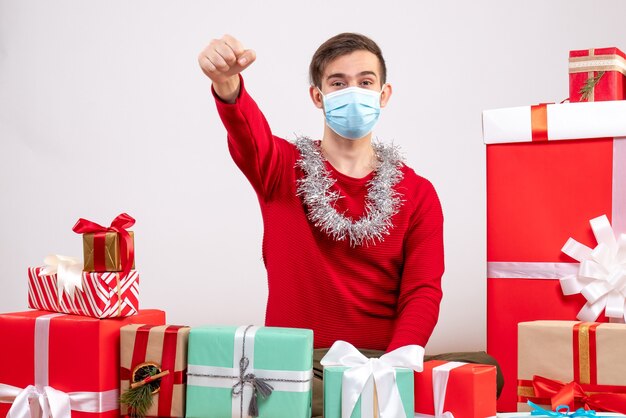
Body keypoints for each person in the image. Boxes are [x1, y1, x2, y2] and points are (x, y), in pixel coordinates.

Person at [198, 33, 502, 417]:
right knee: (304, 395)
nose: (353, 91)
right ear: (318, 96)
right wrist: (228, 85)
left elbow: (422, 291)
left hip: (383, 360)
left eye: (365, 82)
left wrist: (393, 369)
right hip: (302, 365)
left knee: (487, 371)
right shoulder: (280, 168)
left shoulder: (418, 192)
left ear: (384, 94)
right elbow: (248, 135)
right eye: (338, 83)